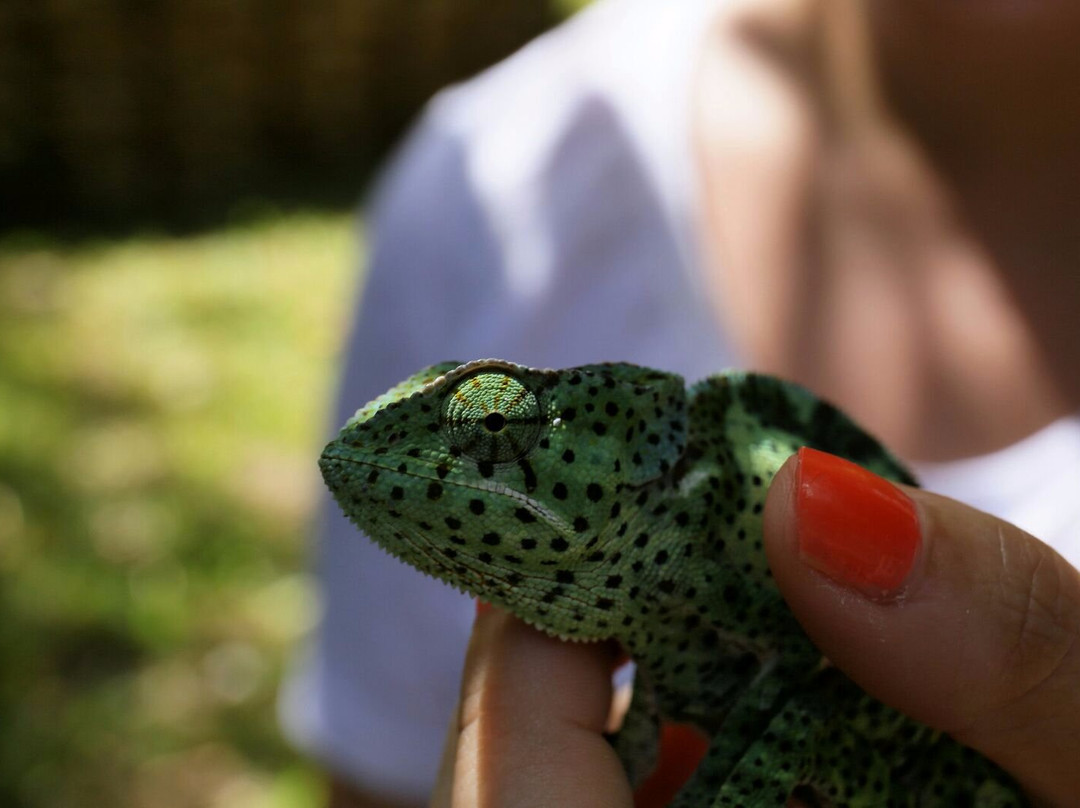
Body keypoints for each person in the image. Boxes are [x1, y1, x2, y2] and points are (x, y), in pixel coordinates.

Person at [279, 0, 1080, 805]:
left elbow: (805, 694)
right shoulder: (497, 171)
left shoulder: (692, 528)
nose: (476, 449)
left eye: (491, 424)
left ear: (621, 454)